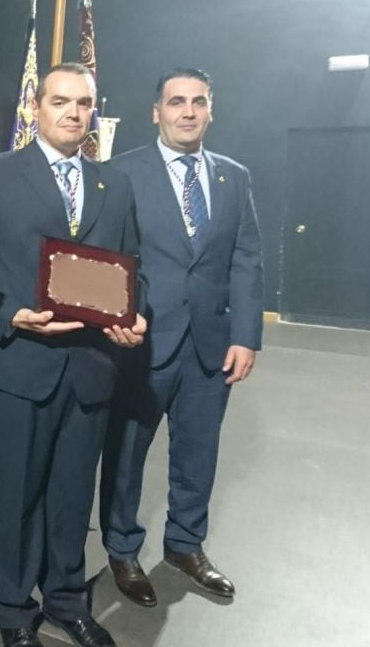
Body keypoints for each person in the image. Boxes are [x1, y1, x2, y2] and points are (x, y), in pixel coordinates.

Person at [0, 62, 146, 647]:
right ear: (35, 108)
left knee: (72, 494)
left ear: (95, 110)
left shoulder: (114, 184)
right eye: (60, 101)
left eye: (83, 103)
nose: (72, 112)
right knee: (17, 497)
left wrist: (134, 315)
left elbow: (131, 270)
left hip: (90, 368)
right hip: (20, 365)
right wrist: (11, 311)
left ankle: (67, 600)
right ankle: (13, 610)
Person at [99, 67, 263, 607]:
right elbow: (110, 260)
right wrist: (117, 319)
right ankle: (122, 551)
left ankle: (184, 545)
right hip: (142, 342)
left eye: (198, 102)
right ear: (156, 111)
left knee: (199, 452)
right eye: (176, 102)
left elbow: (245, 258)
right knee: (126, 454)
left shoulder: (233, 177)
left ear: (211, 109)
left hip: (211, 346)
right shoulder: (121, 174)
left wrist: (246, 334)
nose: (187, 112)